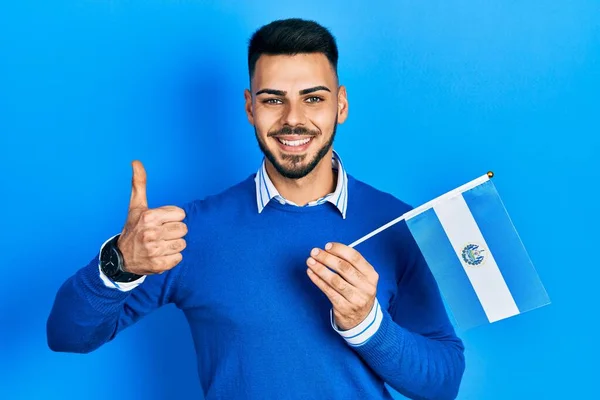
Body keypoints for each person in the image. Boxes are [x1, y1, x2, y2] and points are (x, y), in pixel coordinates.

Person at [47, 18, 465, 400]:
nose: (293, 119)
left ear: (341, 104)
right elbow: (68, 335)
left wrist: (367, 325)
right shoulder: (190, 231)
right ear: (250, 108)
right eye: (273, 100)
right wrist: (118, 264)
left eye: (313, 98)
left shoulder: (398, 225)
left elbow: (443, 382)